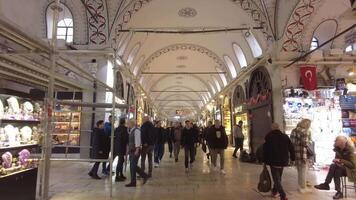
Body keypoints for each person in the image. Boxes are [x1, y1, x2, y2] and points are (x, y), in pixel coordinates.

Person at [263, 123, 295, 200]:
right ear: (279, 128)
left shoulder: (269, 137)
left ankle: (282, 195)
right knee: (278, 177)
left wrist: (264, 160)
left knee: (276, 179)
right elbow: (291, 147)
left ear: (272, 128)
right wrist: (293, 158)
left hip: (273, 160)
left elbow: (265, 150)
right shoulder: (285, 136)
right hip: (283, 160)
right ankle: (274, 190)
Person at [290, 119, 312, 193]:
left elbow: (291, 142)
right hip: (303, 154)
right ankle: (303, 187)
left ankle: (300, 186)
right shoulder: (305, 132)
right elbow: (305, 143)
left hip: (295, 153)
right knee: (303, 171)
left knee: (299, 171)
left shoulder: (294, 130)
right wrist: (308, 141)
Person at [125, 119, 149, 187]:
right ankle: (141, 177)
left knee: (133, 166)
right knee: (133, 166)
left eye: (128, 123)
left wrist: (137, 150)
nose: (127, 125)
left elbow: (138, 140)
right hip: (131, 150)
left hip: (135, 150)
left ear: (131, 124)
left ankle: (141, 178)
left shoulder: (136, 130)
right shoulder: (131, 130)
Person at [114, 118, 129, 182]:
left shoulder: (117, 129)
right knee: (120, 161)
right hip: (122, 147)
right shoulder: (125, 129)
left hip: (117, 146)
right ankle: (117, 176)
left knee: (121, 160)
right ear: (124, 122)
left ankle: (121, 174)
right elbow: (126, 138)